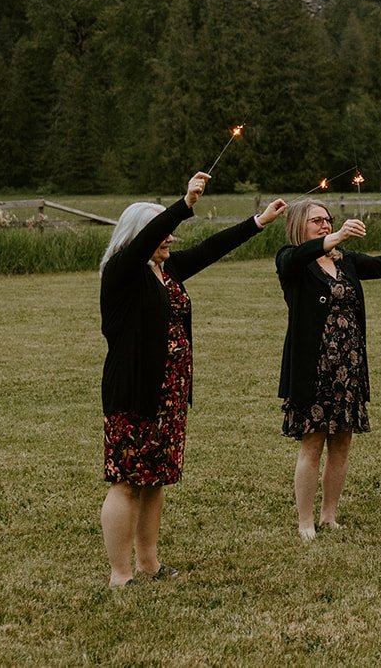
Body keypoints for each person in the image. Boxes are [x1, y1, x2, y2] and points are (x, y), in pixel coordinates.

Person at [99, 172, 286, 588]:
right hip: (134, 394)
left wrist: (258, 222)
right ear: (141, 235)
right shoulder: (122, 272)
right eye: (162, 232)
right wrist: (184, 205)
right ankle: (120, 574)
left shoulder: (166, 273)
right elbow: (150, 238)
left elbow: (211, 249)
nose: (170, 240)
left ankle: (149, 564)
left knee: (155, 481)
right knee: (128, 481)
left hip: (168, 398)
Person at [276, 200, 381, 539]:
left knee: (342, 443)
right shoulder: (291, 260)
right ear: (299, 226)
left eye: (328, 220)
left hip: (348, 366)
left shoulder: (346, 260)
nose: (325, 225)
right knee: (312, 444)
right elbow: (296, 258)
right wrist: (335, 236)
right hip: (315, 368)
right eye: (317, 221)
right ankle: (305, 520)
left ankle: (329, 515)